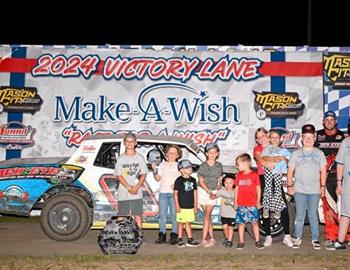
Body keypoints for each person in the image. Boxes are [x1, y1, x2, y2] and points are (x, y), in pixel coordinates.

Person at [287, 124, 327, 250]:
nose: (308, 139)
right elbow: (290, 170)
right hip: (299, 189)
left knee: (313, 215)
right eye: (306, 137)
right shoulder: (296, 154)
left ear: (314, 138)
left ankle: (315, 239)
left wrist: (322, 186)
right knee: (299, 215)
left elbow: (323, 171)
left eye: (311, 137)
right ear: (302, 139)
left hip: (314, 190)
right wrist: (289, 185)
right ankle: (298, 237)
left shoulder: (319, 153)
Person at [315, 111, 346, 249]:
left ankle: (346, 235)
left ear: (336, 121)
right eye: (326, 119)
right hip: (325, 177)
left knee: (345, 207)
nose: (329, 121)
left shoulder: (343, 137)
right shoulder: (317, 136)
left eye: (331, 119)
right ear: (323, 122)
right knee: (328, 207)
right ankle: (331, 236)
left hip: (342, 177)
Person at [260, 129, 293, 247]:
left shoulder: (284, 151)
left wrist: (282, 159)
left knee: (283, 206)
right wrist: (276, 159)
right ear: (269, 138)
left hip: (278, 177)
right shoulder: (267, 149)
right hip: (268, 178)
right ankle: (268, 237)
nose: (274, 139)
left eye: (276, 137)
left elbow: (289, 162)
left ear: (280, 139)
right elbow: (263, 161)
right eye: (272, 137)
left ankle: (287, 236)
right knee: (267, 204)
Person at [114, 133, 149, 230]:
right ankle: (121, 235)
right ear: (124, 143)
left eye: (132, 141)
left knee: (137, 214)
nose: (129, 143)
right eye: (127, 141)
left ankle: (139, 235)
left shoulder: (139, 158)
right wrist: (129, 187)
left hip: (137, 191)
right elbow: (119, 175)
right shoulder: (121, 159)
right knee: (122, 214)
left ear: (135, 143)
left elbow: (144, 174)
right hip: (124, 190)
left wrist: (137, 187)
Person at [152, 145, 182, 245]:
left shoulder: (179, 166)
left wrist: (177, 185)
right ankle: (162, 234)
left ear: (178, 155)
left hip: (175, 194)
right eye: (170, 152)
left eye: (174, 153)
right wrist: (154, 170)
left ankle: (174, 234)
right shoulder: (162, 165)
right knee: (162, 215)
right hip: (163, 193)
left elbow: (183, 178)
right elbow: (157, 178)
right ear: (166, 154)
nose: (171, 155)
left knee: (174, 215)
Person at [234, 153, 264, 249]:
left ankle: (258, 241)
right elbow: (237, 189)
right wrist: (235, 202)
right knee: (241, 223)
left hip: (252, 204)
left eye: (238, 164)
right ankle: (241, 241)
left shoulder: (254, 175)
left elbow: (258, 188)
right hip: (241, 204)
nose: (237, 167)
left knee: (254, 223)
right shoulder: (238, 175)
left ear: (246, 163)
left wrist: (258, 201)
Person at [198, 143, 223, 247]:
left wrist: (215, 191)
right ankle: (210, 238)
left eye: (214, 152)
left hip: (213, 192)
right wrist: (208, 191)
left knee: (208, 215)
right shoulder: (203, 165)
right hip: (203, 191)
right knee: (207, 216)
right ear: (206, 154)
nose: (212, 154)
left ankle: (205, 238)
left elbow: (220, 181)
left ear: (217, 153)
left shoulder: (219, 166)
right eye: (210, 152)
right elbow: (201, 180)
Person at [174, 159, 200, 247]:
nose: (190, 169)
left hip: (190, 206)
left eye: (190, 167)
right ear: (181, 170)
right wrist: (177, 205)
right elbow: (175, 193)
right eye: (187, 167)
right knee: (181, 223)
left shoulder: (193, 180)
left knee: (188, 222)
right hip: (181, 206)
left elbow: (195, 193)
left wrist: (195, 205)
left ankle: (190, 239)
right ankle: (180, 239)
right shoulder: (178, 180)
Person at [330, 137, 350, 250]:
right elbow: (340, 164)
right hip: (348, 185)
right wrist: (339, 183)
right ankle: (340, 241)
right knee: (345, 213)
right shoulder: (346, 142)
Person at [212, 175, 236, 248]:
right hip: (223, 214)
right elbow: (213, 196)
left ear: (234, 183)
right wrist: (212, 193)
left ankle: (229, 241)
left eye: (230, 183)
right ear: (223, 183)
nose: (228, 184)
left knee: (230, 227)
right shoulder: (222, 191)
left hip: (233, 214)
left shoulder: (236, 191)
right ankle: (228, 238)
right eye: (226, 183)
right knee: (225, 227)